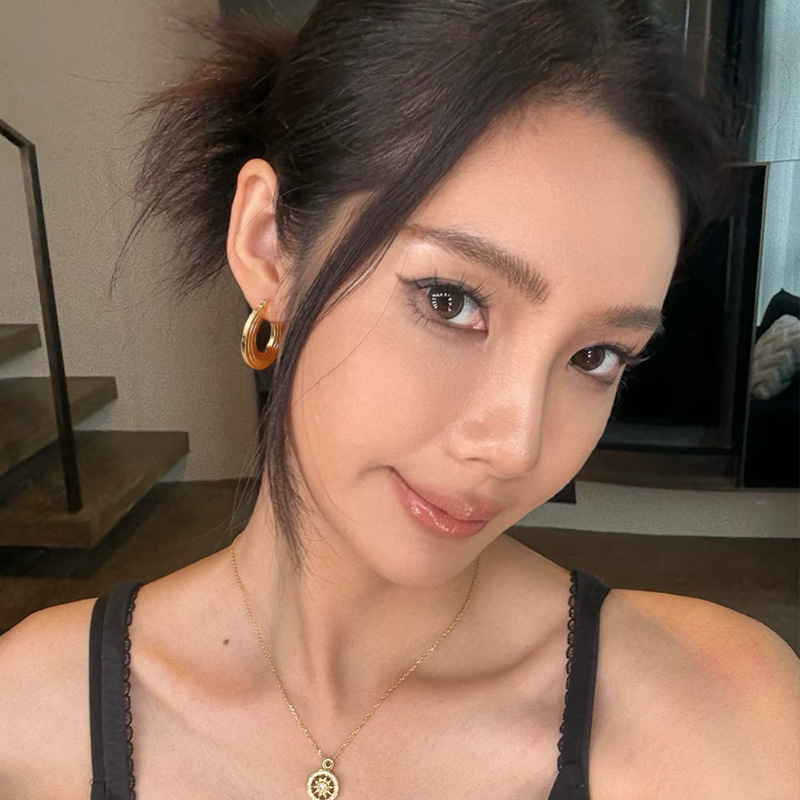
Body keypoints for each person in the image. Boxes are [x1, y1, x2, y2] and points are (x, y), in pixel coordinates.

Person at [1, 1, 798, 798]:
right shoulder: (30, 722)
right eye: (451, 301)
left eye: (596, 357)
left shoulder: (722, 720)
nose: (516, 446)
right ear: (268, 245)